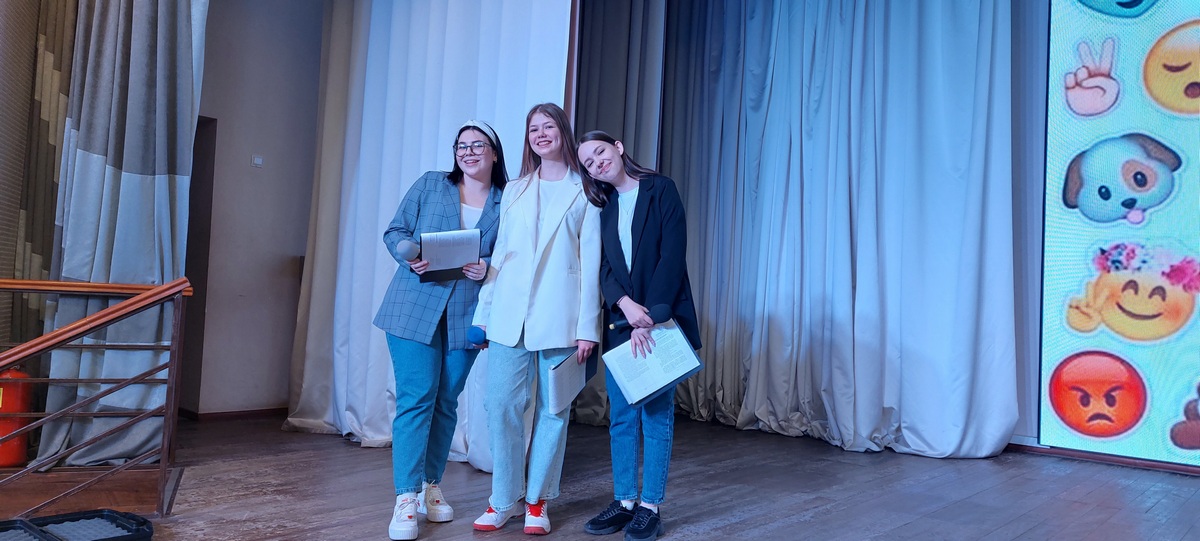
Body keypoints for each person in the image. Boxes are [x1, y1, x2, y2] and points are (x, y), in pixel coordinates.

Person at [470, 103, 603, 535]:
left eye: (548, 126)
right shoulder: (515, 190)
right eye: (533, 129)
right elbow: (501, 256)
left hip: (562, 319)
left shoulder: (587, 191)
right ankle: (503, 498)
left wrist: (588, 328)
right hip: (509, 316)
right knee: (500, 405)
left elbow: (591, 265)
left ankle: (537, 501)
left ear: (563, 131)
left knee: (554, 410)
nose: (541, 134)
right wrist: (483, 315)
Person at [373, 120, 508, 541]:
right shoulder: (432, 184)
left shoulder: (507, 200)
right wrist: (408, 255)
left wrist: (488, 267)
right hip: (413, 307)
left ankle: (431, 486)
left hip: (467, 314)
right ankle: (405, 496)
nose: (468, 152)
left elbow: (514, 254)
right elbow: (395, 231)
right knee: (416, 399)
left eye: (477, 145)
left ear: (494, 153)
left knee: (446, 401)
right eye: (461, 146)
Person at [575, 131, 701, 541]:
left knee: (656, 416)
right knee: (622, 417)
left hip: (659, 321)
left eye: (600, 152)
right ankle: (625, 501)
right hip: (621, 322)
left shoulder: (661, 189)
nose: (597, 163)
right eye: (589, 163)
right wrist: (625, 305)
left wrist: (649, 317)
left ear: (617, 147)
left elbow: (672, 257)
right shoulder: (603, 206)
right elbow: (604, 268)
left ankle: (650, 507)